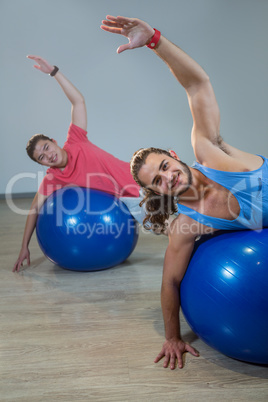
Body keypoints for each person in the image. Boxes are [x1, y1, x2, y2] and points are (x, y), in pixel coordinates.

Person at [101, 15, 268, 370]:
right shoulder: (187, 226)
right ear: (156, 193)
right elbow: (171, 282)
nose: (168, 178)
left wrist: (154, 40)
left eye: (164, 166)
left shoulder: (210, 150)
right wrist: (172, 336)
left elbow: (197, 84)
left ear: (174, 156)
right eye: (157, 182)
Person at [13, 55, 143, 273]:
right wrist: (24, 247)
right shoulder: (53, 180)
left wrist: (54, 72)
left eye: (46, 147)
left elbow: (78, 101)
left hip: (141, 177)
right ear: (41, 163)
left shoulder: (76, 139)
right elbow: (34, 210)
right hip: (132, 201)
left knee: (197, 200)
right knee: (177, 226)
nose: (48, 155)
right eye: (41, 158)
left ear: (53, 141)